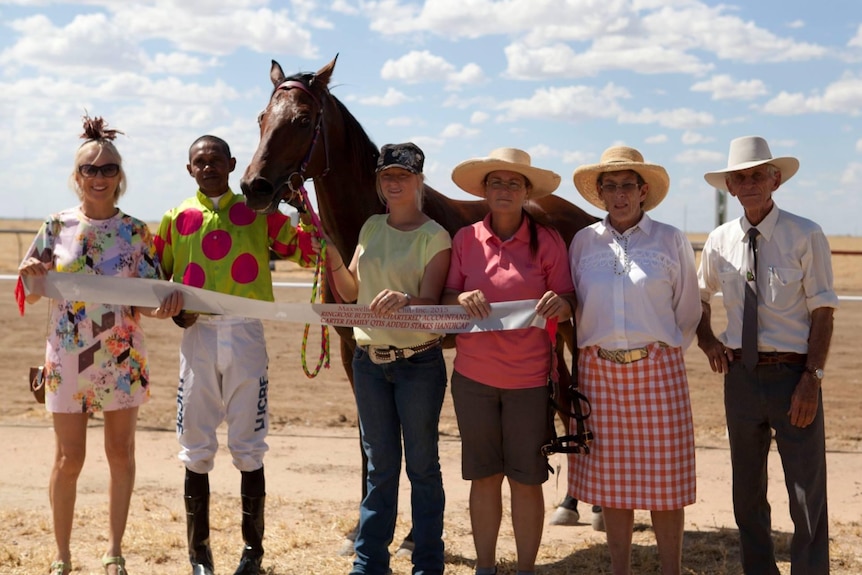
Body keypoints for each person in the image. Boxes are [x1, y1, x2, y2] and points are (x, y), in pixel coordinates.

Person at [16, 115, 183, 575]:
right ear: (77, 177)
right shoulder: (55, 226)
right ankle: (62, 555)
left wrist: (163, 306)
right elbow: (33, 291)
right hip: (66, 356)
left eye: (109, 168)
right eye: (91, 169)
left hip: (122, 357)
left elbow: (148, 299)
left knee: (120, 454)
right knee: (69, 459)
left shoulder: (136, 231)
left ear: (120, 177)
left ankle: (114, 550)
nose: (100, 176)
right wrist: (30, 277)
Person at [154, 135, 316, 575]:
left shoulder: (258, 213)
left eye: (215, 160)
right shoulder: (175, 218)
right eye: (199, 161)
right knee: (195, 445)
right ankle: (199, 554)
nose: (207, 167)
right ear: (189, 169)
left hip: (246, 336)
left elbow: (310, 250)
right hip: (198, 338)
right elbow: (155, 279)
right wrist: (173, 314)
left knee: (249, 444)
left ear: (231, 163)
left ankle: (252, 554)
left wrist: (303, 206)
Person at [696, 136, 838, 575]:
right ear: (730, 188)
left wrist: (811, 378)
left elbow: (823, 309)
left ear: (775, 180)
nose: (750, 182)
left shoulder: (805, 233)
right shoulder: (719, 240)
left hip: (793, 376)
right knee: (746, 492)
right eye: (741, 177)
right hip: (739, 376)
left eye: (758, 174)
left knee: (805, 491)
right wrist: (706, 340)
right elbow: (699, 298)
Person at [315, 142, 451, 575]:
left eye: (403, 176)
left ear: (418, 181)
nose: (394, 182)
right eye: (387, 176)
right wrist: (334, 259)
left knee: (423, 466)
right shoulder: (371, 228)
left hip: (418, 364)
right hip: (370, 362)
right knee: (380, 467)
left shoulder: (436, 236)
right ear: (378, 182)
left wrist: (407, 300)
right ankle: (369, 563)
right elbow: (352, 291)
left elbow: (433, 303)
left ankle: (427, 563)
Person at [567, 146, 700, 575]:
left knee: (667, 484)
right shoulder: (583, 242)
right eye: (611, 186)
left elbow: (688, 308)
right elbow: (576, 304)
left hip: (658, 370)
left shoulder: (670, 238)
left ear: (643, 191)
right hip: (598, 372)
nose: (620, 194)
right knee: (612, 483)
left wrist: (662, 349)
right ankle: (619, 569)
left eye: (628, 185)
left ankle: (671, 570)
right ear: (601, 194)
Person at [443, 148, 576, 575]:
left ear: (526, 191)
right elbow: (445, 299)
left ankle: (524, 568)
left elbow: (570, 299)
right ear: (484, 190)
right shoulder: (465, 240)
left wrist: (563, 303)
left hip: (530, 381)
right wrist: (460, 297)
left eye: (513, 183)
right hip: (473, 380)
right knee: (483, 478)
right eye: (496, 182)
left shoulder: (548, 241)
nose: (504, 190)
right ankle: (485, 567)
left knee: (526, 479)